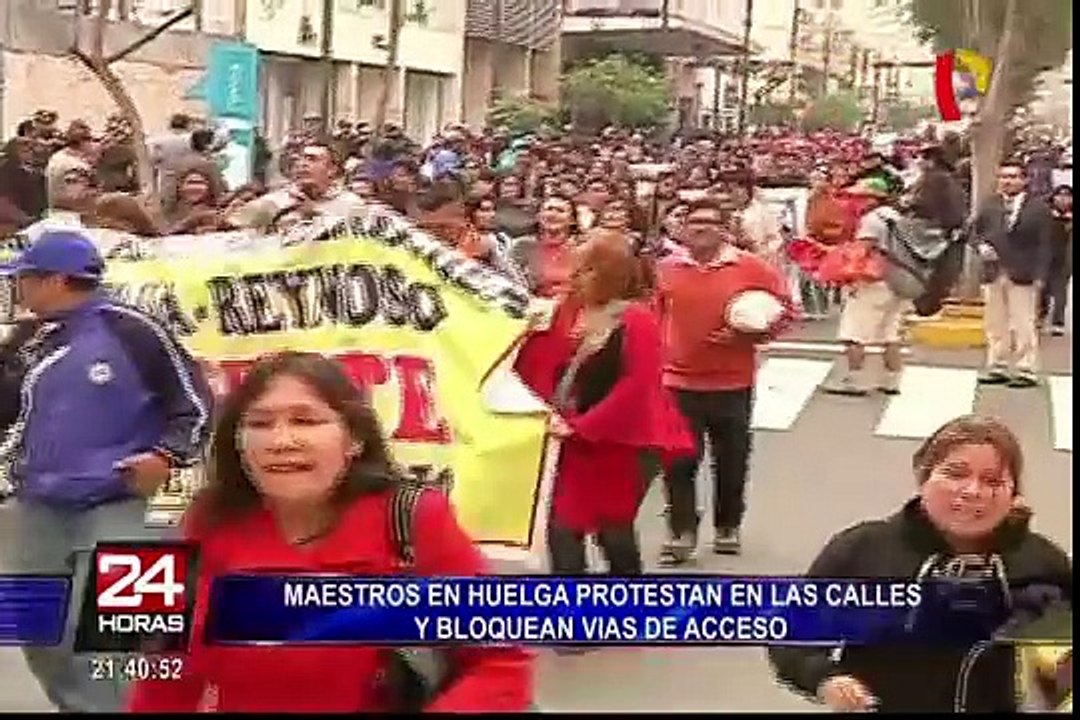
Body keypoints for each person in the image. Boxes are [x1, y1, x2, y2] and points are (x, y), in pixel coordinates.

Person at [127, 351, 534, 712]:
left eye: (306, 420)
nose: (282, 441)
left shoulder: (414, 519)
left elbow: (498, 661)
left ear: (354, 439)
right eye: (260, 424)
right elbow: (167, 671)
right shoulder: (207, 522)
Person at [0, 228, 214, 712]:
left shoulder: (133, 329)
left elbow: (195, 403)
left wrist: (166, 456)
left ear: (56, 280)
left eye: (25, 279)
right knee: (41, 632)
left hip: (125, 502)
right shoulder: (30, 339)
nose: (20, 289)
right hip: (40, 504)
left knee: (125, 638)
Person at [768, 415, 1072, 713]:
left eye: (992, 480)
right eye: (955, 474)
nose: (972, 491)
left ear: (1013, 494)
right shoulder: (865, 550)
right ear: (923, 477)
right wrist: (826, 680)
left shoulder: (1043, 563)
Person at [513, 230, 689, 582]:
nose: (575, 278)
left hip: (620, 443)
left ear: (610, 275)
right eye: (575, 270)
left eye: (586, 270)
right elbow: (534, 360)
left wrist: (584, 426)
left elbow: (637, 387)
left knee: (614, 529)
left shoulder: (636, 320)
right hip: (570, 436)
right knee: (562, 526)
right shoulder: (563, 310)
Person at [656, 197, 791, 563]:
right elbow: (651, 316)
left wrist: (748, 336)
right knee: (679, 462)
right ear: (683, 228)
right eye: (693, 221)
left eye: (709, 222)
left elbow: (787, 311)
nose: (700, 228)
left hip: (732, 383)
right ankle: (681, 532)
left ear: (724, 229)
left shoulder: (752, 268)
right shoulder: (665, 269)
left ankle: (727, 525)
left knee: (731, 460)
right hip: (677, 382)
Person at [971, 161, 1053, 388]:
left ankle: (1026, 368)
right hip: (993, 271)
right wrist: (981, 247)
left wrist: (1041, 275)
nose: (1007, 181)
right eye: (1003, 177)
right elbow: (974, 232)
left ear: (1024, 180)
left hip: (1024, 272)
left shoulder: (1038, 209)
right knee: (995, 322)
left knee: (1023, 322)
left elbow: (1046, 244)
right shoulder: (989, 206)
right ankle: (997, 364)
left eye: (1013, 176)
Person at [825, 177, 909, 396]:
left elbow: (860, 252)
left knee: (855, 331)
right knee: (890, 333)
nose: (855, 201)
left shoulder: (871, 220)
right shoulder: (897, 217)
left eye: (859, 197)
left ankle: (855, 379)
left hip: (872, 281)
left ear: (873, 198)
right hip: (896, 280)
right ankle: (892, 380)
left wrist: (848, 276)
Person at [1040, 184, 1072, 336]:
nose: (1064, 199)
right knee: (1042, 288)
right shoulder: (1045, 212)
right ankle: (1040, 315)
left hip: (1065, 258)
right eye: (1060, 195)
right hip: (1045, 255)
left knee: (1060, 290)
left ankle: (1058, 322)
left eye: (1067, 196)